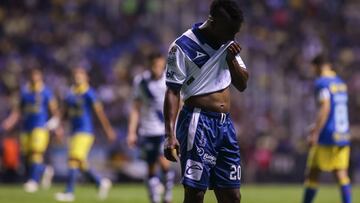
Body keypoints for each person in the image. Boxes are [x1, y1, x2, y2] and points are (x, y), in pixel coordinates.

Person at [163, 0, 249, 202]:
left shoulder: (227, 44)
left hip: (225, 125)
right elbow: (172, 91)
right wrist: (170, 135)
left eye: (235, 32)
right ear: (213, 21)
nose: (232, 37)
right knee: (196, 193)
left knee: (232, 195)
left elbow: (243, 84)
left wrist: (231, 59)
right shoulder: (183, 46)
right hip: (198, 122)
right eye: (230, 31)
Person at [55, 67, 116, 202]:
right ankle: (100, 183)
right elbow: (63, 113)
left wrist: (108, 129)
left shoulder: (89, 93)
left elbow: (99, 113)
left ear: (86, 77)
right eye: (76, 75)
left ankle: (69, 192)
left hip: (85, 131)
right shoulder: (70, 94)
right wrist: (58, 127)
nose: (78, 77)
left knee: (73, 159)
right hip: (73, 132)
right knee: (81, 163)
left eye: (80, 75)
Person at [303, 55, 352, 203]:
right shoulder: (341, 83)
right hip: (342, 134)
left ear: (318, 66)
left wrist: (316, 132)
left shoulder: (322, 83)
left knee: (313, 173)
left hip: (327, 134)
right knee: (341, 174)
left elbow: (325, 107)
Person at [2, 68, 60, 193]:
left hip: (40, 127)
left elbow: (54, 110)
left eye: (37, 76)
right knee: (27, 155)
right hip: (26, 127)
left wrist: (57, 125)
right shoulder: (25, 92)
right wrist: (9, 122)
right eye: (33, 76)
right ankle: (44, 170)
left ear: (40, 77)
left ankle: (33, 181)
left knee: (36, 153)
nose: (35, 78)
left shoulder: (46, 92)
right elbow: (17, 111)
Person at [127, 52, 175, 203]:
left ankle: (167, 192)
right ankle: (154, 198)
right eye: (155, 66)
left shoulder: (169, 79)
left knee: (164, 161)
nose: (158, 69)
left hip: (163, 130)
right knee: (150, 166)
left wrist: (174, 126)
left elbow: (178, 103)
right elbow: (135, 108)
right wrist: (131, 132)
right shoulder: (141, 82)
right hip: (147, 130)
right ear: (149, 65)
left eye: (161, 66)